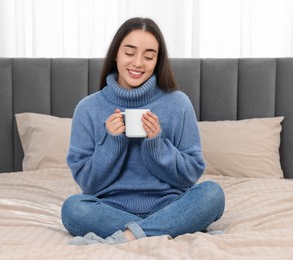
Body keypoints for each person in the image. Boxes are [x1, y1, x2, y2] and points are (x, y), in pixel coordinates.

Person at [61, 17, 225, 245]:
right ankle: (162, 230)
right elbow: (89, 185)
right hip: (110, 210)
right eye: (129, 53)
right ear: (116, 54)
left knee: (212, 194)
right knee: (73, 209)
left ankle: (127, 237)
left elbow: (190, 175)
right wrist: (112, 142)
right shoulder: (88, 108)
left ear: (157, 61)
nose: (138, 63)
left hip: (170, 206)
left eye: (148, 56)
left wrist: (156, 145)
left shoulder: (178, 103)